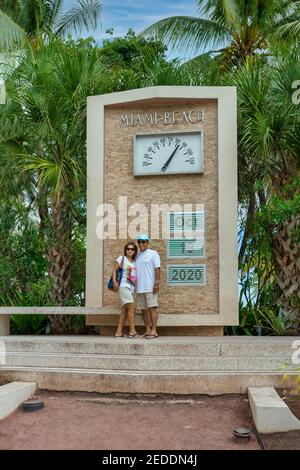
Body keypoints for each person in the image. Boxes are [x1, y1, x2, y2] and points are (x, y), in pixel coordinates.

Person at [112, 241, 141, 338]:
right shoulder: (122, 258)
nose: (130, 250)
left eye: (132, 249)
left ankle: (118, 332)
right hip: (124, 286)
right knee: (132, 308)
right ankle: (132, 331)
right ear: (125, 250)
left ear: (134, 251)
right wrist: (115, 281)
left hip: (132, 288)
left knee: (125, 310)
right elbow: (114, 270)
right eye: (128, 249)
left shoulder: (134, 262)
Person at [135, 234, 161, 339]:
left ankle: (154, 331)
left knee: (152, 309)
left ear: (147, 243)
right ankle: (148, 330)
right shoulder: (137, 255)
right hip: (140, 287)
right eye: (139, 242)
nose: (141, 243)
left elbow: (157, 269)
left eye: (143, 241)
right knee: (144, 310)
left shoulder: (153, 253)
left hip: (150, 287)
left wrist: (156, 283)